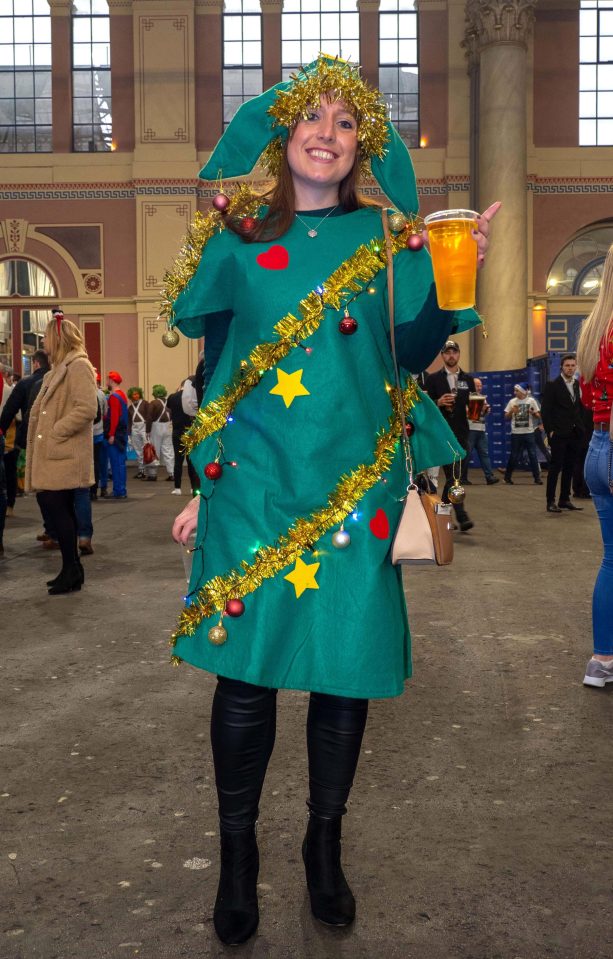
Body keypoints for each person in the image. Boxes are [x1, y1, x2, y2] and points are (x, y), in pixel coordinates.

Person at [163, 55, 498, 946]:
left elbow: (413, 351)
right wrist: (202, 488)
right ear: (285, 138)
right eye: (310, 119)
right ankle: (237, 861)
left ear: (362, 147)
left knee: (342, 674)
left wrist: (461, 272)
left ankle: (322, 846)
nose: (326, 133)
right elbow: (214, 375)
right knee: (245, 678)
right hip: (256, 494)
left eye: (345, 124)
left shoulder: (390, 248)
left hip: (357, 492)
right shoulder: (236, 241)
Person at [25, 315, 97, 594]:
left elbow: (87, 408)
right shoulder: (56, 370)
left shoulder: (78, 366)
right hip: (54, 454)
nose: (43, 341)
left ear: (58, 338)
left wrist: (56, 431)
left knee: (58, 509)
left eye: (46, 336)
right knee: (59, 510)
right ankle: (71, 569)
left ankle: (72, 569)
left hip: (63, 452)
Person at [576, 245, 613, 686]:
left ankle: (601, 660)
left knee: (611, 560)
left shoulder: (592, 329)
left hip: (597, 449)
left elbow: (589, 400)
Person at [424, 340, 476, 531]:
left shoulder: (468, 380)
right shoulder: (433, 379)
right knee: (454, 478)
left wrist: (482, 410)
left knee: (457, 479)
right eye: (447, 353)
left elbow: (473, 410)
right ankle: (460, 516)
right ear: (442, 356)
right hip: (443, 434)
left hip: (462, 434)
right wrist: (438, 402)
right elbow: (425, 407)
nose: (451, 356)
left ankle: (443, 515)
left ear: (459, 354)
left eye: (454, 352)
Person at [540, 354, 585, 513]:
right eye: (567, 365)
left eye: (573, 365)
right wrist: (550, 431)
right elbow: (545, 411)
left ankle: (564, 499)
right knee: (555, 468)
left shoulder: (576, 384)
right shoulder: (553, 385)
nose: (570, 368)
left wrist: (581, 429)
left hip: (574, 433)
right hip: (558, 433)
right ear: (561, 367)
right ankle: (550, 501)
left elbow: (577, 408)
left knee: (569, 467)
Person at [503, 383, 543, 485]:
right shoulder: (512, 402)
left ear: (523, 391)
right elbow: (506, 416)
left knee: (533, 455)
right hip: (516, 433)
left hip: (529, 432)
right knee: (514, 456)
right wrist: (512, 411)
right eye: (515, 390)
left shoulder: (531, 401)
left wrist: (532, 412)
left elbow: (538, 415)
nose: (514, 392)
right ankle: (507, 477)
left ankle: (537, 478)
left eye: (517, 390)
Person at [465, 376, 498, 485]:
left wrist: (486, 410)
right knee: (467, 455)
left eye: (480, 385)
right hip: (470, 429)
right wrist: (480, 409)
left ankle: (489, 477)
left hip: (481, 429)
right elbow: (470, 415)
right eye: (477, 385)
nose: (479, 387)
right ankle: (462, 478)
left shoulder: (482, 397)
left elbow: (483, 414)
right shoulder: (467, 397)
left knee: (484, 453)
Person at [167, 381, 198, 495]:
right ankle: (192, 487)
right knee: (191, 461)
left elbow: (169, 409)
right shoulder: (191, 398)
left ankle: (177, 488)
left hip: (177, 431)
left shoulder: (172, 397)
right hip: (189, 431)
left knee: (178, 461)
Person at [101, 371, 128, 499]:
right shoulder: (122, 395)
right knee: (120, 463)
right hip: (122, 434)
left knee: (116, 463)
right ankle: (121, 489)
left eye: (107, 379)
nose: (106, 382)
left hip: (115, 435)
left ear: (112, 381)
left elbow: (114, 418)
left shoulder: (114, 397)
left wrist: (111, 434)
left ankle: (118, 490)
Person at [145, 384, 174, 482]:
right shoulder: (169, 402)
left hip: (156, 427)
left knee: (154, 450)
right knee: (168, 450)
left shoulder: (153, 403)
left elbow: (149, 418)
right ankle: (172, 473)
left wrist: (147, 430)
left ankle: (152, 474)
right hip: (168, 426)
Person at [127, 386, 150, 480]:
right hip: (134, 428)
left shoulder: (145, 403)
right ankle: (141, 470)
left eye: (137, 394)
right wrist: (129, 433)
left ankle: (149, 471)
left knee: (146, 449)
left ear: (140, 394)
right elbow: (129, 421)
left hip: (143, 427)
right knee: (138, 450)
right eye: (133, 394)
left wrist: (148, 430)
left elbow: (149, 417)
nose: (135, 396)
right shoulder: (130, 407)